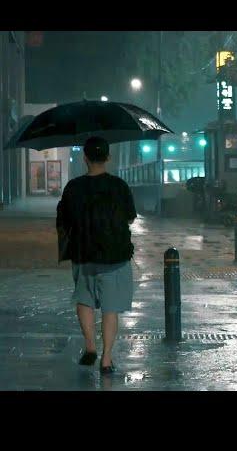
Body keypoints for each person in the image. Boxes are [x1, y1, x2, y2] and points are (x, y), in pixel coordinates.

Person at [56, 137, 137, 375]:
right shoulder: (119, 186)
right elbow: (130, 217)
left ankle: (90, 346)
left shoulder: (73, 187)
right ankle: (107, 359)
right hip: (115, 257)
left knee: (85, 299)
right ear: (108, 157)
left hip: (83, 254)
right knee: (110, 308)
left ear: (85, 158)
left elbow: (63, 220)